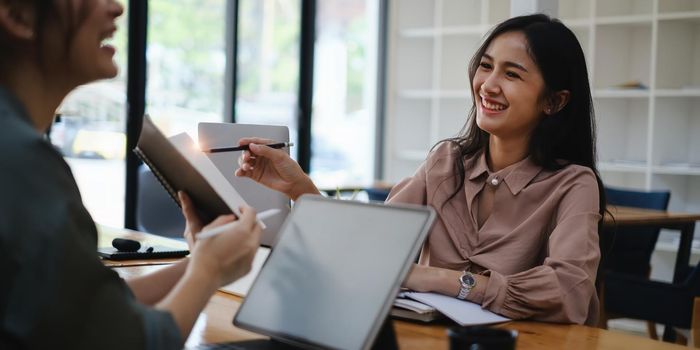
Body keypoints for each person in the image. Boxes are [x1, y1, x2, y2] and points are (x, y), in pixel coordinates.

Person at [235, 14, 606, 325]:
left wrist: (441, 279)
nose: (488, 85)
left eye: (512, 75)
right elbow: (371, 246)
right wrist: (300, 189)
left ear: (554, 102)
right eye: (486, 66)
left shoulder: (573, 184)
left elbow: (569, 292)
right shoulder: (446, 162)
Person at [0, 1, 261, 348]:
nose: (117, 8)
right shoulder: (23, 166)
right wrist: (208, 271)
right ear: (18, 16)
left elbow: (88, 310)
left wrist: (200, 263)